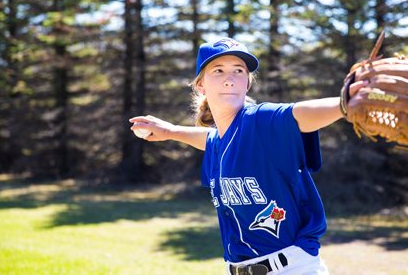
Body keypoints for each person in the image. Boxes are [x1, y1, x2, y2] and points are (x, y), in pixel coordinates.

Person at [129, 37, 365, 275]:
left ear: (247, 82)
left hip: (291, 268)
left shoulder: (259, 120)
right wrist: (171, 131)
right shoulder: (219, 142)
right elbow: (210, 140)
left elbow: (297, 114)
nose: (229, 79)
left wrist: (343, 104)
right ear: (201, 85)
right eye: (218, 70)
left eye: (238, 71)